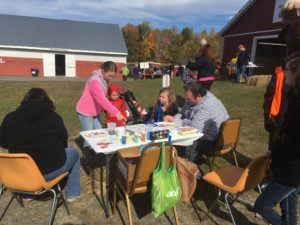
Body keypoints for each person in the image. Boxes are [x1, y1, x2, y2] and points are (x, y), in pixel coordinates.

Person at [254, 14, 300, 225]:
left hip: (291, 167)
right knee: (289, 208)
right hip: (286, 163)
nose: (286, 55)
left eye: (290, 49)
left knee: (263, 206)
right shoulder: (290, 86)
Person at [0, 88, 81, 202]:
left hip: (21, 173)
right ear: (47, 100)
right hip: (50, 171)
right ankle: (73, 193)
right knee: (74, 154)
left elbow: (3, 143)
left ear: (25, 101)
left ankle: (27, 193)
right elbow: (64, 141)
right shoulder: (54, 117)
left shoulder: (9, 118)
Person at [164, 82, 229, 164]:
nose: (186, 100)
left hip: (215, 141)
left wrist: (175, 121)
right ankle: (179, 159)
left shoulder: (206, 106)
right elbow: (183, 112)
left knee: (190, 141)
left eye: (188, 99)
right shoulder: (196, 97)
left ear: (198, 96)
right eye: (186, 98)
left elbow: (195, 128)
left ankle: (192, 171)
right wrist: (174, 118)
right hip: (210, 135)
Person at [76, 61, 126, 151]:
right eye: (109, 75)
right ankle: (88, 160)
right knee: (89, 137)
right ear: (103, 71)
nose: (110, 78)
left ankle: (97, 153)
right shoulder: (94, 81)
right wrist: (117, 113)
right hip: (85, 112)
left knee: (99, 133)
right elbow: (102, 100)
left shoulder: (103, 79)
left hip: (95, 111)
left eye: (112, 76)